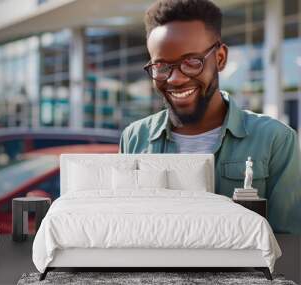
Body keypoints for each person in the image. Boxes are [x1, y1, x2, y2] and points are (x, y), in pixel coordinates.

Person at [119, 0, 301, 234]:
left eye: (191, 62)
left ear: (221, 58)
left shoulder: (275, 139)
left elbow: (289, 244)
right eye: (161, 66)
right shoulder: (134, 137)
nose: (175, 79)